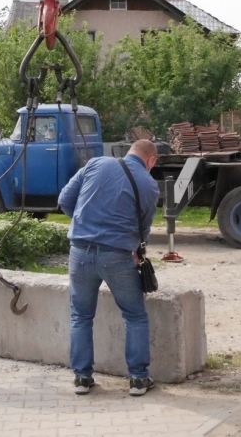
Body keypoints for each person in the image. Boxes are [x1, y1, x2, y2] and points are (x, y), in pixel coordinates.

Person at [58, 140, 160, 396]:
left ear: (128, 152)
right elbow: (143, 228)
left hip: (80, 251)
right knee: (134, 315)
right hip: (117, 256)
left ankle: (82, 378)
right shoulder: (149, 184)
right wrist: (136, 248)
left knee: (80, 316)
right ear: (151, 161)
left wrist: (85, 224)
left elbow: (64, 200)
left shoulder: (96, 163)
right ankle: (138, 379)